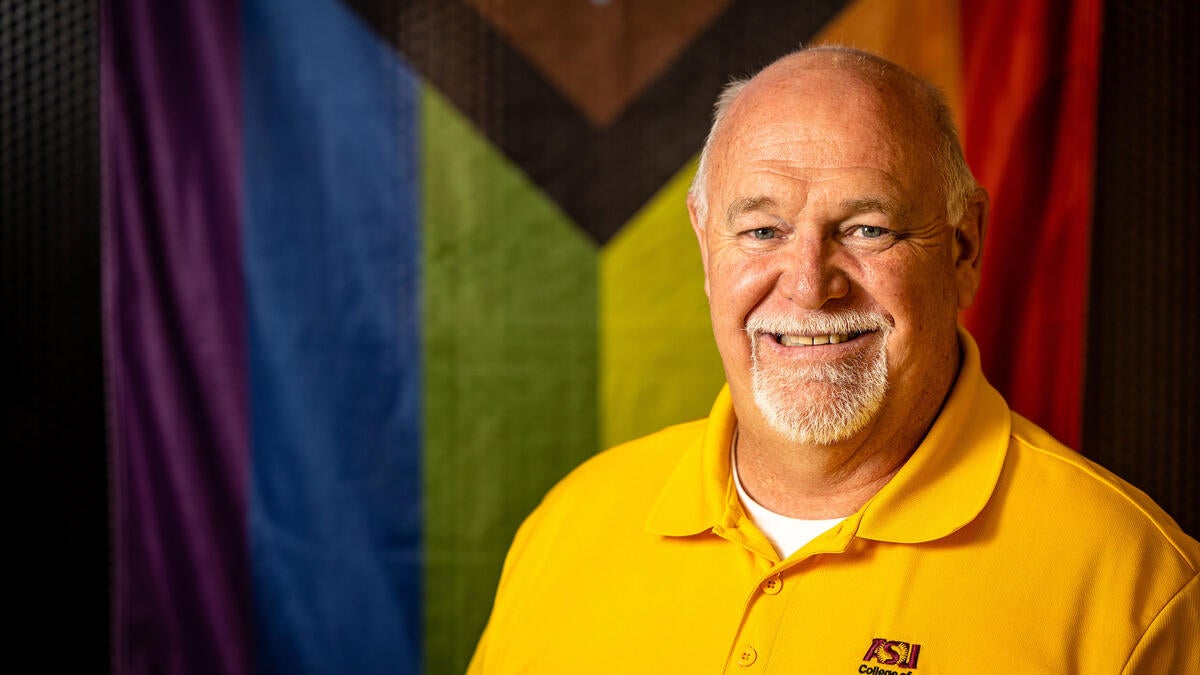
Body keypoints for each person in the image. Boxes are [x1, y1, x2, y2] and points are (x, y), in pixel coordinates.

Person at [467, 46, 1199, 673]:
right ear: (704, 245)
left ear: (963, 246)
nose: (811, 284)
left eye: (866, 227)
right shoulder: (571, 524)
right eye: (761, 230)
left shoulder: (1132, 584)